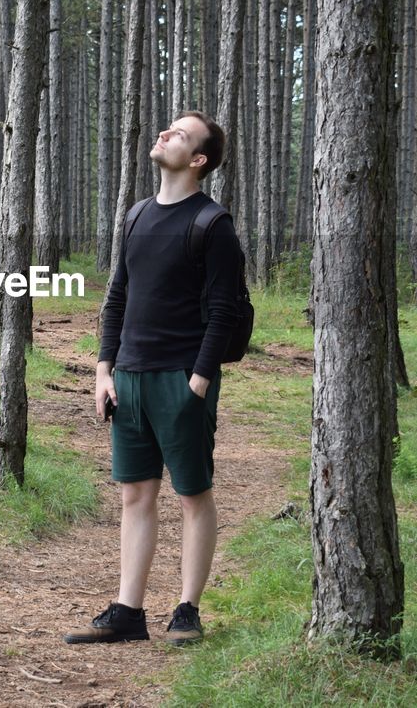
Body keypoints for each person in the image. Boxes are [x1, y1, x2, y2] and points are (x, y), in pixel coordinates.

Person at [64, 110, 242, 647]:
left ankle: (187, 610)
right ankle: (128, 611)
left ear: (198, 159)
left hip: (180, 379)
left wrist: (199, 382)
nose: (165, 134)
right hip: (129, 379)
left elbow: (225, 311)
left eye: (180, 134)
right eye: (169, 128)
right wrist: (103, 369)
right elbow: (118, 296)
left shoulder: (212, 224)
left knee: (193, 494)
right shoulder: (137, 215)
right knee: (135, 495)